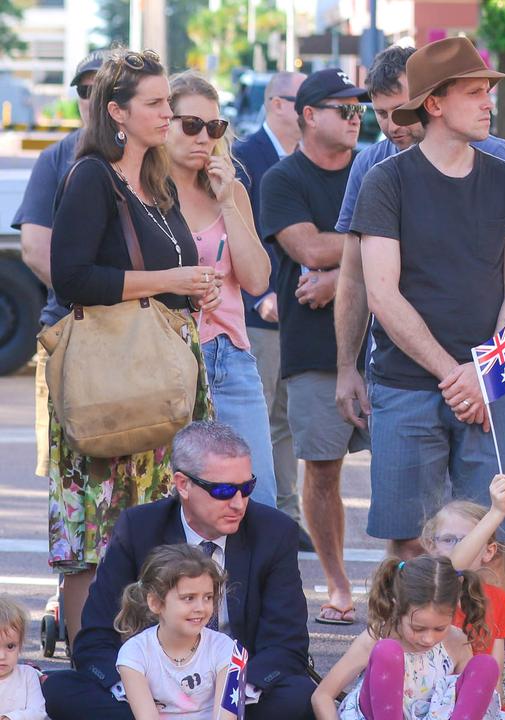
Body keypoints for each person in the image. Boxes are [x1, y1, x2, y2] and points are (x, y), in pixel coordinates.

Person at [46, 48, 217, 649]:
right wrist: (168, 283)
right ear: (116, 112)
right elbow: (70, 277)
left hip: (163, 379)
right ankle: (92, 662)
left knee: (156, 533)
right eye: (156, 104)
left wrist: (194, 284)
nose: (167, 113)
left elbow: (169, 269)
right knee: (97, 536)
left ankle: (151, 661)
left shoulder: (156, 180)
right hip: (111, 383)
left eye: (168, 102)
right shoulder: (93, 175)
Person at [350, 36, 505, 558]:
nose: (488, 103)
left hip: (491, 385)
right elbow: (382, 295)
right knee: (411, 544)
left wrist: (483, 374)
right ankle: (408, 644)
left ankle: (487, 645)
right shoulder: (385, 180)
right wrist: (455, 376)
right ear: (434, 103)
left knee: (492, 543)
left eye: (488, 92)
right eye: (474, 92)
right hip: (407, 384)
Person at [42, 421, 314, 720]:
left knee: (299, 696)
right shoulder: (139, 527)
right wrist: (141, 694)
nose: (239, 503)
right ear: (183, 484)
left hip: (237, 690)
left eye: (246, 487)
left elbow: (287, 643)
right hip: (149, 690)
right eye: (224, 490)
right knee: (60, 691)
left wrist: (226, 701)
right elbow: (96, 635)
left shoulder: (274, 531)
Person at [260, 67, 370, 625]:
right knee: (321, 471)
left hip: (386, 349)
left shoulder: (375, 166)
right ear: (307, 115)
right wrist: (366, 249)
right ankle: (338, 583)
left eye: (360, 110)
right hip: (312, 350)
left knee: (409, 464)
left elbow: (407, 243)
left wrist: (342, 278)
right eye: (344, 109)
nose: (357, 119)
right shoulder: (283, 178)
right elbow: (303, 244)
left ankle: (416, 583)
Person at [168, 71, 277, 508]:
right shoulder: (142, 194)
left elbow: (256, 280)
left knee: (257, 495)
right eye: (191, 125)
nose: (204, 138)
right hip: (167, 359)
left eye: (214, 128)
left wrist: (228, 200)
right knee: (177, 500)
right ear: (164, 124)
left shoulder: (229, 191)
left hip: (228, 357)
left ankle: (246, 580)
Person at [12, 49, 105, 480]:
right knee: (69, 485)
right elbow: (34, 248)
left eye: (104, 88)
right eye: (84, 90)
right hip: (67, 334)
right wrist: (94, 298)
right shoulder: (57, 158)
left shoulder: (153, 159)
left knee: (140, 482)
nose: (92, 98)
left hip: (142, 340)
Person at [232, 70, 307, 534]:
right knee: (258, 415)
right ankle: (255, 512)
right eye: (304, 101)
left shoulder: (308, 159)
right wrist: (259, 295)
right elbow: (231, 235)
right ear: (278, 105)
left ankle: (287, 511)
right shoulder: (244, 157)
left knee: (287, 418)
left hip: (300, 311)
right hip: (255, 314)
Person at [313, 554, 503, 720]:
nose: (428, 639)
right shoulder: (378, 636)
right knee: (388, 652)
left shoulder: (456, 641)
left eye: (439, 628)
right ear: (397, 606)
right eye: (418, 628)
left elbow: (464, 701)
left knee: (485, 666)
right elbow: (322, 696)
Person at [420, 477, 505, 712]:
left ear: (489, 552)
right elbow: (450, 569)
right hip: (428, 702)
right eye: (448, 540)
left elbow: (494, 672)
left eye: (468, 540)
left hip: (477, 701)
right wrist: (496, 513)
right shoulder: (423, 589)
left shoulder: (496, 598)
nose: (457, 547)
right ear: (431, 545)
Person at [114, 544, 238, 720]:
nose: (201, 608)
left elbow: (226, 717)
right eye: (189, 598)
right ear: (156, 602)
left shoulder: (225, 649)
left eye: (207, 597)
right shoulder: (135, 653)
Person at [0, 594, 44, 720]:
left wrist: (11, 718)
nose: (2, 656)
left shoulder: (27, 675)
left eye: (10, 646)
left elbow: (38, 712)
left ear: (20, 645)